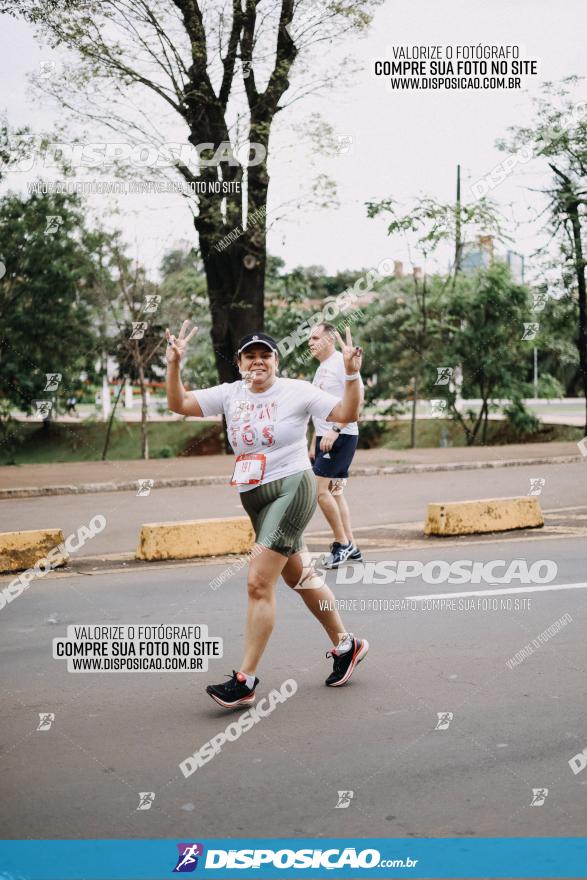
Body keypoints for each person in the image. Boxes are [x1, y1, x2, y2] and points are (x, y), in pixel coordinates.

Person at [165, 321, 369, 709]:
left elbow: (346, 410)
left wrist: (352, 374)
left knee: (259, 582)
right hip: (253, 495)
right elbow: (179, 404)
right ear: (240, 362)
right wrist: (174, 365)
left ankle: (246, 680)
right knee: (301, 577)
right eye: (249, 356)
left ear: (276, 360)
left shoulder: (297, 391)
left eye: (265, 355)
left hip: (292, 487)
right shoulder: (230, 394)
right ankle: (347, 645)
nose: (257, 362)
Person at [308, 323, 363, 569]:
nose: (310, 342)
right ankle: (351, 544)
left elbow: (357, 402)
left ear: (330, 339)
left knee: (321, 492)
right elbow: (318, 408)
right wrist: (314, 442)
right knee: (336, 491)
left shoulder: (343, 362)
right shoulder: (321, 369)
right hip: (325, 438)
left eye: (315, 337)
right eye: (309, 338)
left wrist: (336, 429)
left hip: (341, 435)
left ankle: (341, 544)